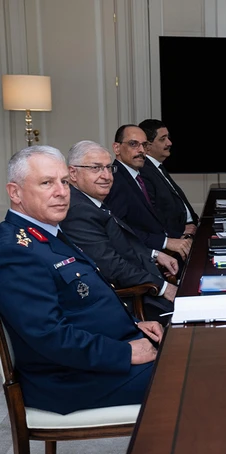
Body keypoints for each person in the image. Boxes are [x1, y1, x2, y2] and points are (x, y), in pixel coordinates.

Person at [0, 145, 161, 415]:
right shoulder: (15, 250)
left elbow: (84, 302)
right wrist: (124, 353)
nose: (61, 192)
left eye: (64, 181)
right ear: (15, 192)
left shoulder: (48, 232)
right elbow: (49, 336)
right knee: (190, 377)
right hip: (72, 380)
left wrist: (133, 325)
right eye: (46, 183)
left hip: (97, 359)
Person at [61, 140, 179, 323]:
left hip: (147, 285)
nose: (106, 176)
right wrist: (164, 287)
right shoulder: (77, 211)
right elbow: (112, 267)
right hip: (133, 304)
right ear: (73, 173)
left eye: (109, 168)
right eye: (96, 168)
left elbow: (121, 242)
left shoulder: (90, 200)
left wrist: (154, 254)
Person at [104, 124, 191, 260]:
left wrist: (179, 236)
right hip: (142, 257)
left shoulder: (139, 176)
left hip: (162, 247)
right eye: (133, 144)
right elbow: (120, 230)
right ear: (117, 148)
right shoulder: (114, 180)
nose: (141, 150)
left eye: (144, 145)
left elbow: (154, 220)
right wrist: (165, 242)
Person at [138, 119, 199, 236]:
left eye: (168, 138)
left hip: (191, 228)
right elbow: (153, 213)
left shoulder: (158, 167)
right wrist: (180, 230)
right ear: (147, 146)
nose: (169, 143)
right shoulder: (144, 171)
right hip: (178, 236)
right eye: (162, 139)